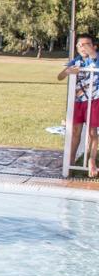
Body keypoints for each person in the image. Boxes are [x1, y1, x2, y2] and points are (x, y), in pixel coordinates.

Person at [58, 35, 99, 177]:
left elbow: (93, 56)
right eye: (80, 45)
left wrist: (89, 49)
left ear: (94, 47)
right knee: (75, 132)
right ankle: (71, 160)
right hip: (78, 102)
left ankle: (92, 160)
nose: (83, 47)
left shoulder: (95, 58)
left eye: (87, 44)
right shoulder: (76, 61)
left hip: (94, 101)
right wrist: (68, 71)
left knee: (93, 133)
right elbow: (60, 76)